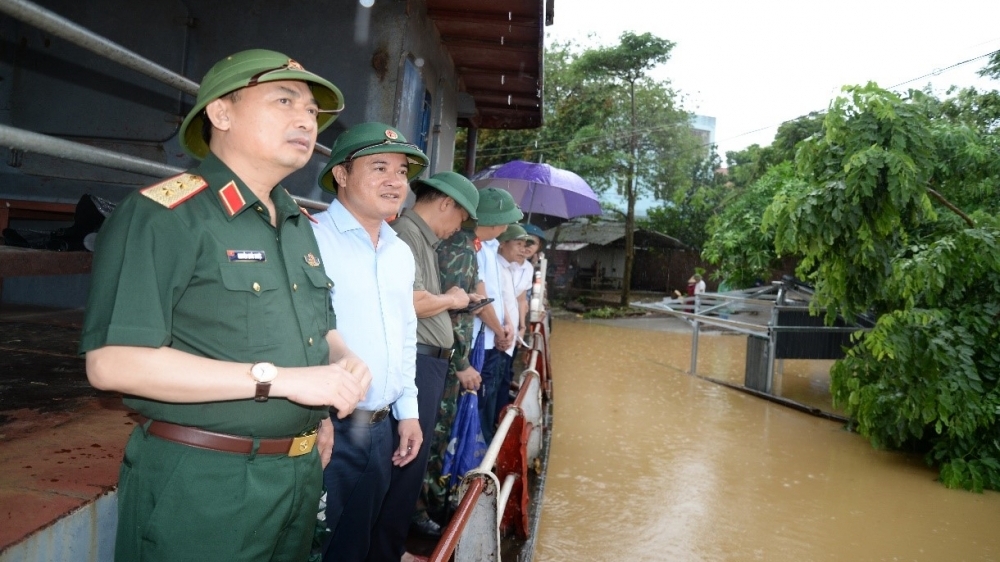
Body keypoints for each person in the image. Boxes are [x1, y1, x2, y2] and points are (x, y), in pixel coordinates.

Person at [79, 49, 372, 562]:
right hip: (203, 483)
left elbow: (317, 330)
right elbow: (112, 363)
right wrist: (278, 380)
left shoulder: (296, 221)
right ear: (221, 113)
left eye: (311, 111)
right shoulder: (165, 214)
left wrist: (339, 366)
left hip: (298, 474)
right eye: (285, 100)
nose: (305, 119)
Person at [310, 122, 429, 561]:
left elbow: (404, 335)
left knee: (354, 547)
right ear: (341, 174)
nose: (395, 181)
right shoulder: (312, 239)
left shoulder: (399, 250)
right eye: (379, 167)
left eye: (401, 171)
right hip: (327, 428)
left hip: (380, 430)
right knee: (311, 546)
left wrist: (408, 412)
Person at [373, 172, 481, 562]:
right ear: (446, 203)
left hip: (426, 360)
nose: (458, 228)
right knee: (404, 464)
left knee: (409, 466)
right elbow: (413, 303)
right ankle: (388, 551)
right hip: (417, 359)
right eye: (460, 218)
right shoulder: (406, 233)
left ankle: (392, 548)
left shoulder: (420, 238)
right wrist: (453, 299)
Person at [419, 187, 520, 527]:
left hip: (450, 353)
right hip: (448, 357)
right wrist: (461, 363)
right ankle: (426, 509)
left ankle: (429, 503)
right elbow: (453, 313)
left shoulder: (468, 246)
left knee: (440, 432)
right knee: (435, 435)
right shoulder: (460, 247)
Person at [474, 213, 524, 446]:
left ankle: (487, 444)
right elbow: (482, 300)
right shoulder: (477, 248)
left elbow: (502, 300)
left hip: (496, 336)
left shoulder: (491, 248)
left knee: (491, 394)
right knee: (481, 399)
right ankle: (482, 448)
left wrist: (507, 327)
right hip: (483, 340)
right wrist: (500, 330)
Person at [494, 224, 533, 417]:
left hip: (507, 337)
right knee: (494, 386)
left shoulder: (508, 269)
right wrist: (505, 331)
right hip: (499, 338)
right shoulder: (497, 267)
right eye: (518, 244)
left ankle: (498, 423)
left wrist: (520, 327)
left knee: (502, 381)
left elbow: (517, 301)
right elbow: (495, 305)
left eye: (524, 245)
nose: (522, 249)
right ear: (502, 244)